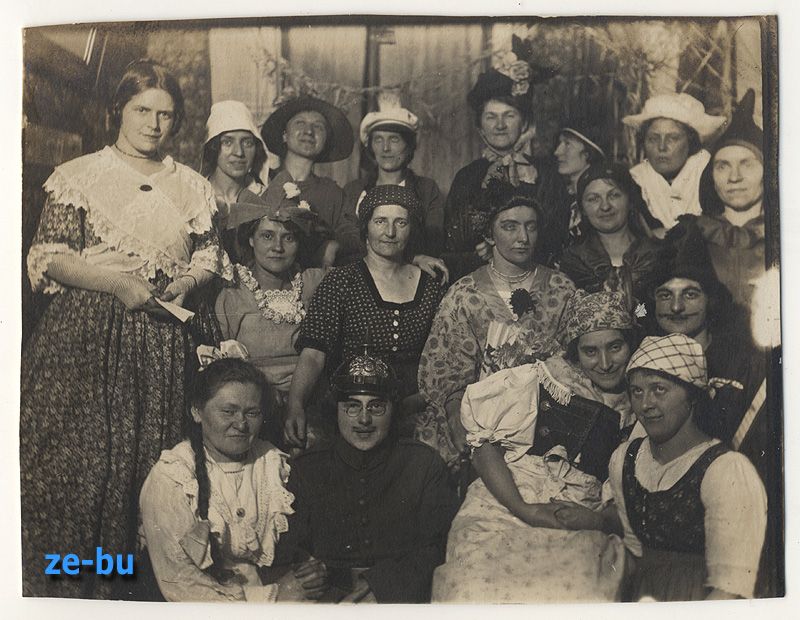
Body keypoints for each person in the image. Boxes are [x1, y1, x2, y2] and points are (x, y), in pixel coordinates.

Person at [20, 59, 230, 599]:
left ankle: (127, 591)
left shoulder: (191, 186)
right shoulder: (80, 174)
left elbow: (210, 253)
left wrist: (187, 281)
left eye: (166, 114)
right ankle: (65, 588)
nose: (154, 124)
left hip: (158, 340)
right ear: (120, 110)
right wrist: (116, 285)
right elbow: (51, 258)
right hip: (85, 337)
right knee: (75, 463)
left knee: (145, 468)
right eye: (143, 110)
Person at [432, 291, 638, 602]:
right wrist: (525, 510)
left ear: (630, 345)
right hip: (507, 497)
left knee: (577, 591)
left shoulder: (645, 400)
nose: (605, 363)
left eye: (615, 347)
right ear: (575, 353)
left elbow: (638, 492)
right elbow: (483, 445)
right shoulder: (544, 378)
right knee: (472, 584)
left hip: (581, 511)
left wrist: (598, 521)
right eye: (590, 351)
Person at [274, 347, 458, 603]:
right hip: (325, 600)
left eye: (376, 407)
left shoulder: (423, 464)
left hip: (401, 598)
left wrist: (381, 588)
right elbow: (289, 549)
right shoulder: (306, 468)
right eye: (352, 406)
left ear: (393, 410)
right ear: (336, 410)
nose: (363, 419)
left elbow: (437, 547)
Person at [139, 353, 328, 602]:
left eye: (252, 413)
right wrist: (274, 596)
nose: (241, 424)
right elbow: (182, 586)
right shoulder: (173, 478)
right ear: (197, 411)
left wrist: (311, 572)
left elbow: (299, 544)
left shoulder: (273, 464)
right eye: (228, 411)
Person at [416, 181, 575, 466]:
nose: (523, 237)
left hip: (549, 418)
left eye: (531, 226)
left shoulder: (561, 288)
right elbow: (446, 375)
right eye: (510, 226)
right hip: (481, 420)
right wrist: (456, 417)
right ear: (489, 234)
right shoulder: (465, 294)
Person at [603, 334, 767, 601]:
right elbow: (635, 552)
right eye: (637, 391)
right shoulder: (624, 460)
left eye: (659, 389)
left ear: (692, 396)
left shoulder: (725, 471)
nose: (645, 405)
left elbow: (731, 590)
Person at [284, 185, 446, 448]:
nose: (390, 232)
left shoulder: (431, 287)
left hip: (415, 408)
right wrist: (295, 404)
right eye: (380, 221)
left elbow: (443, 361)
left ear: (412, 229)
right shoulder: (340, 281)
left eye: (400, 222)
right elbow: (314, 354)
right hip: (353, 409)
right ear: (366, 226)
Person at [215, 182, 328, 445]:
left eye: (288, 237)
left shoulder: (314, 283)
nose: (277, 247)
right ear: (251, 239)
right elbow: (223, 367)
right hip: (253, 404)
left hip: (310, 399)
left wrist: (414, 260)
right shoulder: (232, 291)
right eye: (267, 236)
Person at [443, 42, 568, 279]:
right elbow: (454, 241)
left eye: (509, 116)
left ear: (524, 122)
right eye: (491, 117)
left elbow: (557, 235)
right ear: (480, 125)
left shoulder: (545, 174)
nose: (500, 125)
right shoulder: (467, 176)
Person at [343, 93, 447, 279]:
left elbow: (433, 240)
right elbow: (347, 240)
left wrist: (412, 258)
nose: (385, 149)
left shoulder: (426, 189)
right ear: (370, 146)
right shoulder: (353, 190)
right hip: (359, 277)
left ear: (409, 145)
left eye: (394, 139)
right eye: (378, 140)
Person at [260, 95, 360, 266]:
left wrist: (333, 246)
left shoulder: (332, 193)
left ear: (325, 140)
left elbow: (354, 237)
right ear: (284, 135)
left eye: (318, 126)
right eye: (300, 123)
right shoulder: (261, 181)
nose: (309, 131)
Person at [691, 89, 766, 315]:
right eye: (723, 166)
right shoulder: (690, 236)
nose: (734, 177)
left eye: (747, 164)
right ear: (711, 177)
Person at [559, 162, 667, 309]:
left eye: (614, 195)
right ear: (582, 208)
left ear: (630, 201)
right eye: (593, 199)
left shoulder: (658, 254)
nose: (605, 206)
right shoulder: (573, 261)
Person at [623, 93, 725, 234]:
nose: (662, 147)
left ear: (691, 141)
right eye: (653, 138)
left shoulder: (709, 171)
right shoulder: (635, 179)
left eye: (673, 138)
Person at [200, 100, 270, 262]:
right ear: (213, 147)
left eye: (247, 142)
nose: (239, 152)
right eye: (227, 142)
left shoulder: (264, 197)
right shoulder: (196, 196)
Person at [553, 115, 608, 243]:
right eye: (559, 143)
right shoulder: (561, 196)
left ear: (587, 153)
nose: (557, 151)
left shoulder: (601, 199)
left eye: (567, 144)